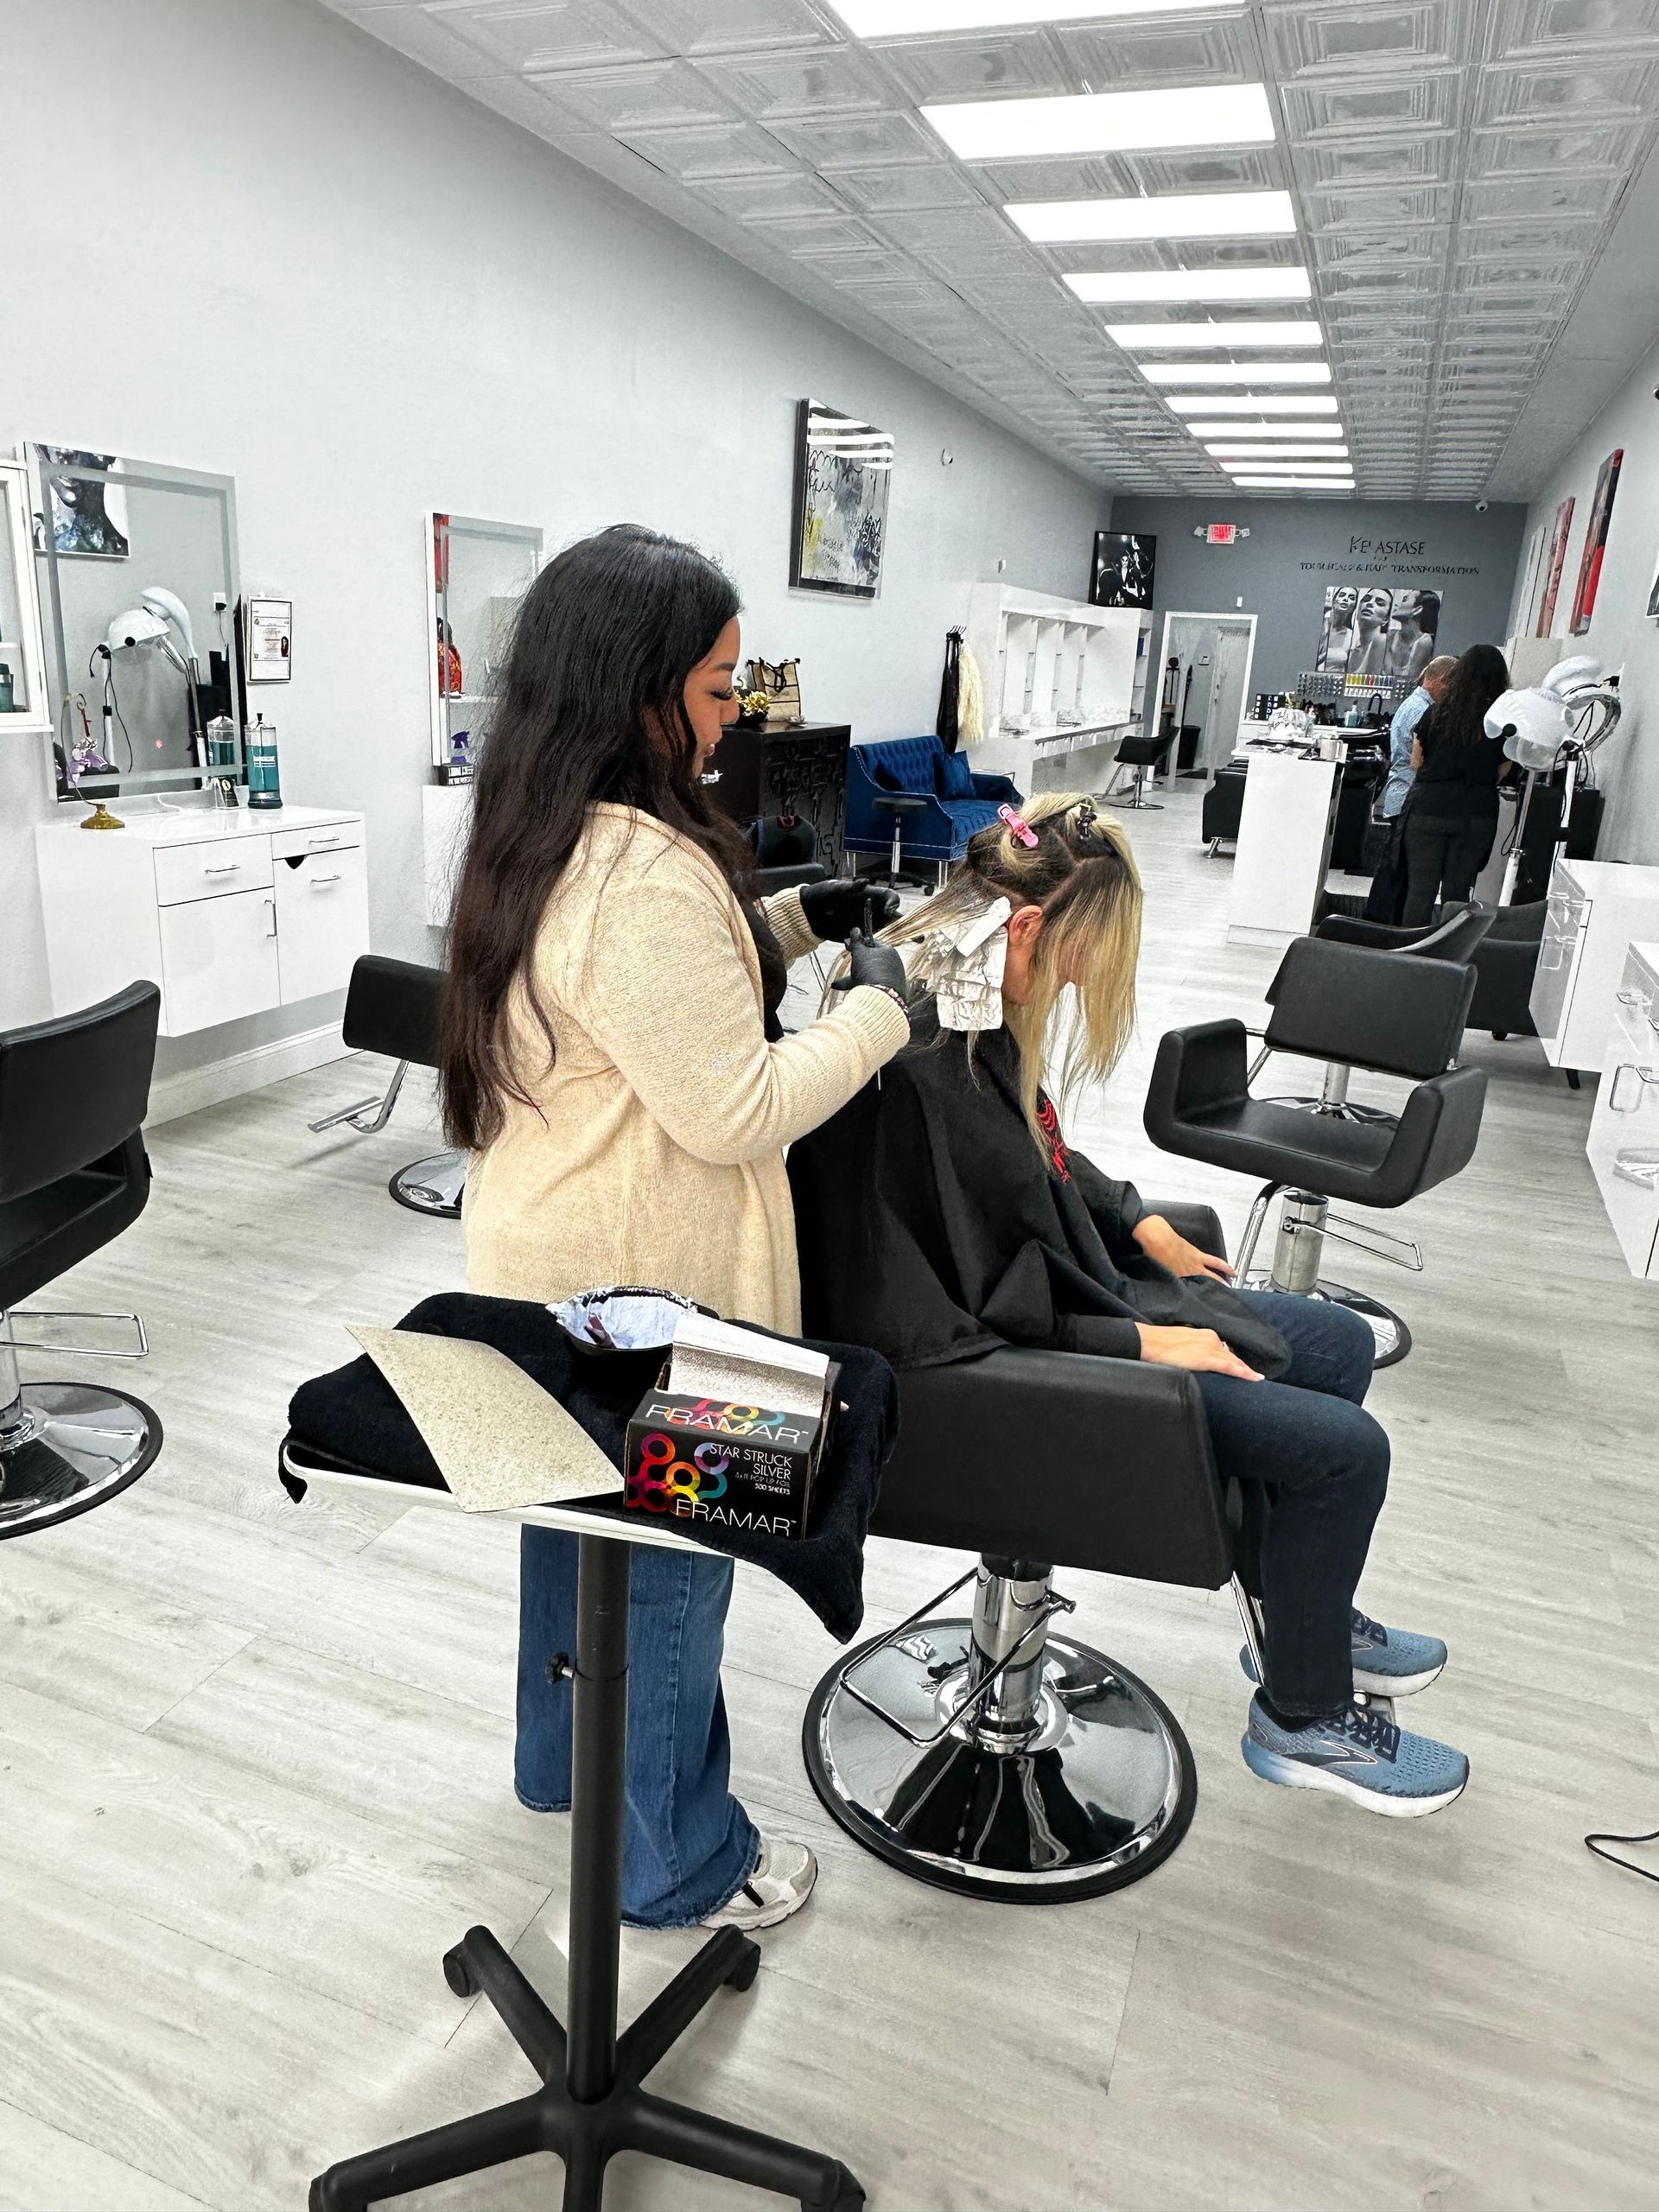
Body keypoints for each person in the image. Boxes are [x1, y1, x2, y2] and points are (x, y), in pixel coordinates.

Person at [790, 797, 1470, 1818]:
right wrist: (1149, 1335)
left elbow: (1032, 1153)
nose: (1075, 984)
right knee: (1346, 1452)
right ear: (1022, 928)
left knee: (1331, 1342)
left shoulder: (968, 1022)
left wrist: (1134, 1219)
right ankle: (1304, 1714)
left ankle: (1303, 1617)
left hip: (1055, 1311)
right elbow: (966, 1302)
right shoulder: (922, 1062)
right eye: (1076, 959)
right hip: (987, 1376)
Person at [441, 524, 912, 1930]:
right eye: (716, 685)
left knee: (569, 1533)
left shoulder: (535, 830)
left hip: (537, 1270)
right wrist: (886, 1015)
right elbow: (735, 1106)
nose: (736, 713)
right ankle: (677, 1863)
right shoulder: (641, 873)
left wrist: (786, 925)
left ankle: (559, 1769)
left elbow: (640, 1000)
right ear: (637, 689)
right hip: (657, 1298)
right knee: (666, 1579)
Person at [1400, 642, 1512, 927]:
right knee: (1457, 893)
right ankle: (1448, 956)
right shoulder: (1502, 722)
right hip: (1475, 813)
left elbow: (1416, 762)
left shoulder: (1436, 713)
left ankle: (1408, 957)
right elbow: (1503, 771)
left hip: (1428, 807)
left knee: (1420, 891)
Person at [1363, 652, 1457, 923]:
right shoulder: (1423, 711)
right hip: (1408, 798)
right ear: (1438, 682)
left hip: (1401, 795)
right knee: (1396, 868)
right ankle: (1379, 922)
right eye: (1452, 686)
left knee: (1397, 867)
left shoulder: (1415, 704)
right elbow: (1423, 760)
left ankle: (1383, 920)